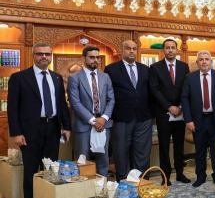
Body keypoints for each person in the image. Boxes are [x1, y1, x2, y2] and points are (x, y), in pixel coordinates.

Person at [7, 42, 71, 198]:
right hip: (30, 130)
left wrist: (67, 126)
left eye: (47, 54)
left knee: (51, 167)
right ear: (33, 56)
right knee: (31, 168)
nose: (44, 57)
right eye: (40, 54)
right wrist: (16, 132)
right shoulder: (19, 77)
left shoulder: (56, 78)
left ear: (51, 57)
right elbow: (12, 108)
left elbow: (61, 104)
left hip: (53, 127)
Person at [182, 50, 215, 188]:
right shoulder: (189, 78)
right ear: (197, 62)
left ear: (211, 62)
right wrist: (188, 120)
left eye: (207, 59)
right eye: (201, 59)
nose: (204, 62)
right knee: (200, 150)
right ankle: (201, 176)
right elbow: (185, 99)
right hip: (198, 120)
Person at [105, 40, 153, 181]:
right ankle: (124, 181)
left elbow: (150, 92)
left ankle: (142, 180)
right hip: (121, 117)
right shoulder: (111, 69)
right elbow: (108, 94)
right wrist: (109, 116)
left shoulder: (145, 69)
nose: (132, 51)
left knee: (142, 151)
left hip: (143, 117)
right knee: (121, 151)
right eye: (128, 48)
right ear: (122, 50)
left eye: (134, 48)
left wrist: (152, 113)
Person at [67, 46, 114, 178]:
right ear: (83, 58)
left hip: (103, 124)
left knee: (103, 160)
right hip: (84, 125)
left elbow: (111, 99)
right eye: (92, 57)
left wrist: (104, 118)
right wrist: (93, 121)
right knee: (83, 161)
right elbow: (75, 103)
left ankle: (102, 187)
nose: (95, 60)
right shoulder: (74, 78)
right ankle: (84, 188)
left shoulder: (105, 77)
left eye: (97, 57)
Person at [149, 39, 191, 186]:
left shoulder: (184, 67)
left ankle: (180, 173)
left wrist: (180, 106)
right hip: (164, 113)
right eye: (167, 48)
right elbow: (154, 90)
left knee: (179, 145)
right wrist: (169, 107)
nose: (170, 50)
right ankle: (165, 176)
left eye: (173, 47)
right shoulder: (155, 67)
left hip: (180, 113)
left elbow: (186, 88)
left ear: (177, 50)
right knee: (164, 146)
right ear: (163, 50)